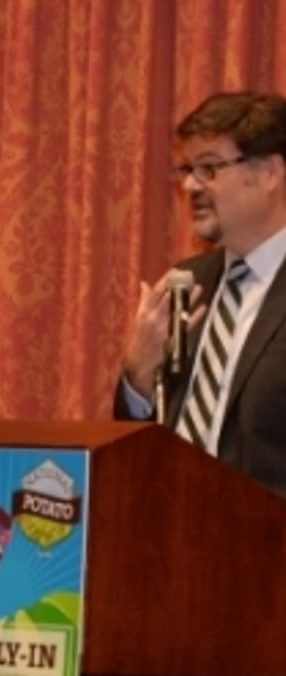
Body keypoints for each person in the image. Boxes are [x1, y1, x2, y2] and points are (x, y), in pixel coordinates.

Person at [115, 90, 286, 495]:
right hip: (178, 537)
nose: (191, 185)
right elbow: (138, 443)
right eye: (188, 169)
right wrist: (136, 377)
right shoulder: (184, 284)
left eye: (209, 168)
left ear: (270, 173)